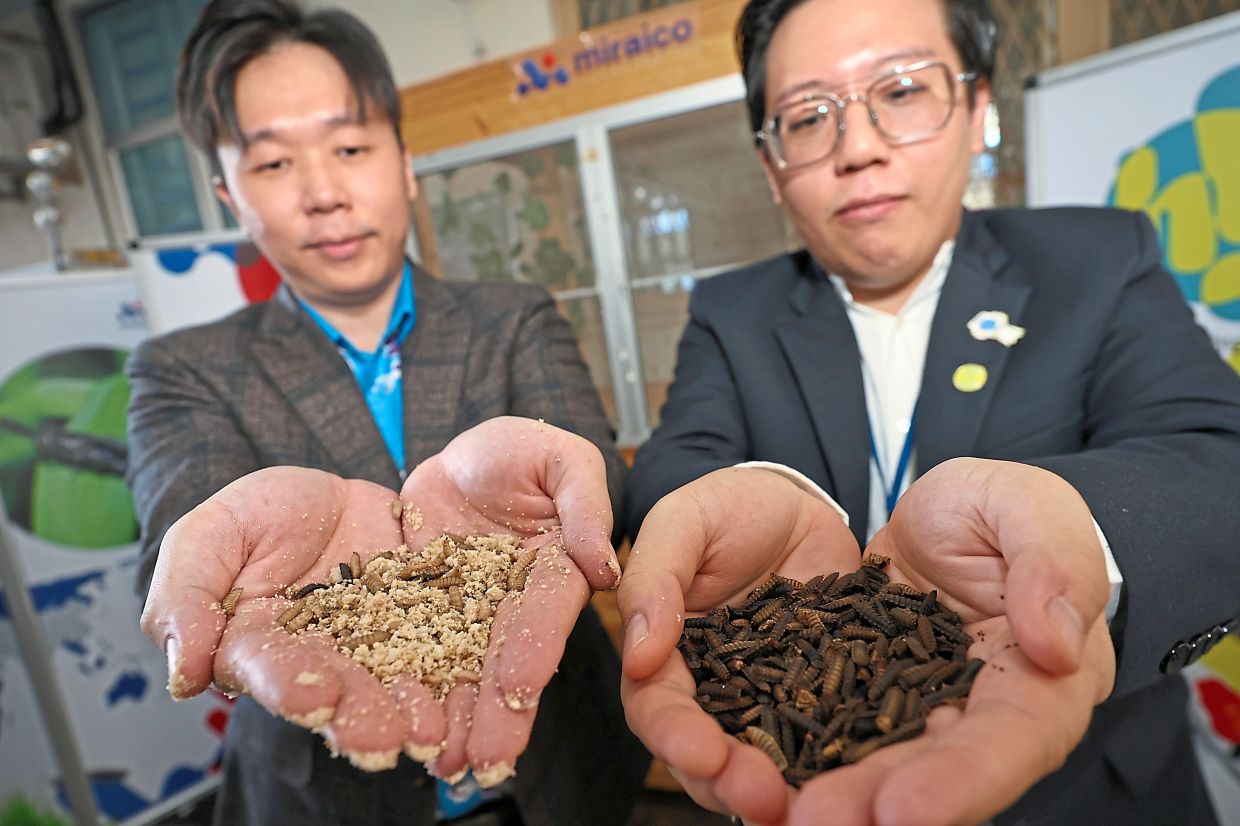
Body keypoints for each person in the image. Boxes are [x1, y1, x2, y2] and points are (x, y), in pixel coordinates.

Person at [620, 0, 1240, 824]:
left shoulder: (1097, 259)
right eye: (809, 116)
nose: (860, 147)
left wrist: (1071, 535)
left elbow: (1218, 455)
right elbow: (678, 458)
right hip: (801, 777)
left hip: (1099, 793)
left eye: (903, 91)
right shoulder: (730, 311)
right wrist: (722, 505)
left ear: (978, 108)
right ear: (771, 165)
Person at [126, 1, 648, 824]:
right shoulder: (181, 367)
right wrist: (217, 552)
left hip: (560, 767)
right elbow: (179, 534)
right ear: (230, 196)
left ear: (404, 162)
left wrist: (559, 467)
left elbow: (591, 475)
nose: (325, 193)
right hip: (324, 796)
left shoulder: (513, 316)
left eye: (350, 147)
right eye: (273, 165)